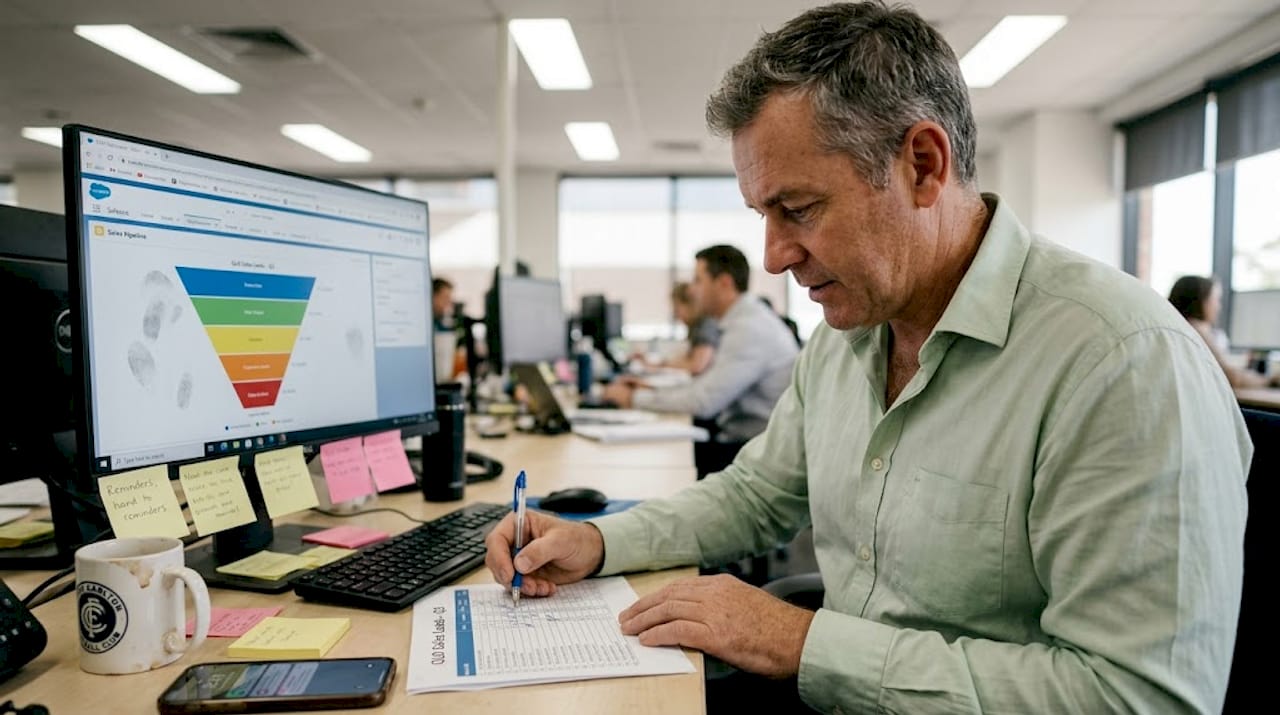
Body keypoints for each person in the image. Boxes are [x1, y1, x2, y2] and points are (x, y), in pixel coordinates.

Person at [485, 3, 1250, 713]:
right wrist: (601, 539)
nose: (774, 256)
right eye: (762, 215)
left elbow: (1138, 697)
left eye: (799, 209)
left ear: (923, 164)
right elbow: (756, 495)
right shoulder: (847, 333)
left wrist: (803, 642)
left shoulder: (1123, 364)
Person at [601, 244, 799, 444]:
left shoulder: (750, 329)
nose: (691, 290)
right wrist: (651, 390)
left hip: (750, 447)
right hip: (743, 439)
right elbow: (705, 386)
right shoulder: (741, 321)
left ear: (724, 283)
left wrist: (633, 398)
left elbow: (704, 402)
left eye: (698, 280)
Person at [1169, 274, 1280, 388]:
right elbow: (1233, 378)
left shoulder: (1175, 328)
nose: (1219, 307)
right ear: (1202, 301)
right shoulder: (1198, 329)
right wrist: (1270, 380)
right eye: (1216, 300)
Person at [645, 281, 720, 375]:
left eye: (677, 308)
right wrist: (659, 364)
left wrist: (663, 365)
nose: (676, 315)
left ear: (690, 305)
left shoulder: (706, 326)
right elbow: (686, 358)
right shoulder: (695, 327)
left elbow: (696, 366)